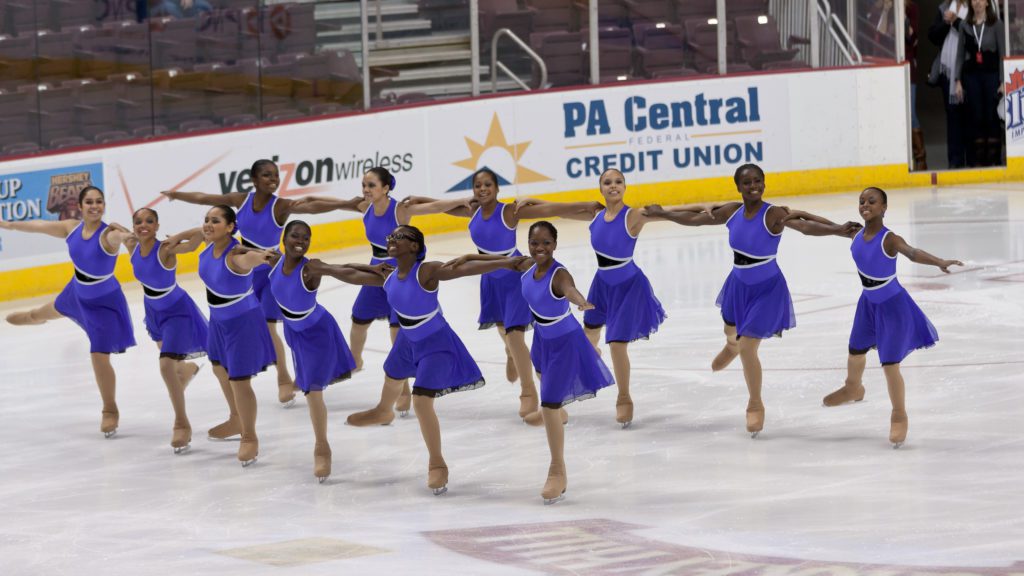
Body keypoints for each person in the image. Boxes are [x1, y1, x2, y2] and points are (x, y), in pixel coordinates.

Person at [643, 164, 861, 437]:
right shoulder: (732, 211)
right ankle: (730, 345)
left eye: (758, 181)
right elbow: (696, 219)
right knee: (731, 332)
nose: (753, 186)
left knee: (749, 347)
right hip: (738, 283)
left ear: (764, 183)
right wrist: (663, 213)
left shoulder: (773, 214)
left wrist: (838, 230)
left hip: (767, 288)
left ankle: (755, 403)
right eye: (747, 182)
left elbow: (805, 226)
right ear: (738, 187)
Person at [316, 225, 528, 495]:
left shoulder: (425, 272)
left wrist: (509, 262)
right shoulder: (388, 274)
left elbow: (464, 268)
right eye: (390, 236)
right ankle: (383, 410)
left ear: (415, 246)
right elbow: (352, 273)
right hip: (408, 339)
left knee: (421, 401)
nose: (392, 239)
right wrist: (323, 268)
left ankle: (437, 463)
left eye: (399, 237)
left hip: (436, 342)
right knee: (392, 374)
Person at [513, 170, 712, 428]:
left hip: (628, 286)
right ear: (601, 188)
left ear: (625, 187)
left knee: (617, 344)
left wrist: (706, 207)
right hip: (603, 283)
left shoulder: (633, 215)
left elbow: (670, 212)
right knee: (587, 338)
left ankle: (624, 397)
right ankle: (555, 406)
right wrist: (532, 200)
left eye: (618, 182)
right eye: (608, 182)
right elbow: (560, 209)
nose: (613, 186)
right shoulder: (594, 213)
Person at [400, 168, 598, 420]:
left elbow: (549, 211)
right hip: (490, 278)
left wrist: (585, 204)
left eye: (487, 185)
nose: (482, 189)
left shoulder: (508, 212)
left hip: (514, 275)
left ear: (496, 188)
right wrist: (420, 198)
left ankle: (528, 393)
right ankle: (510, 354)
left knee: (515, 335)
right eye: (478, 185)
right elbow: (438, 207)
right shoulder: (470, 211)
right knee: (505, 332)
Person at [291, 167, 476, 425]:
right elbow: (334, 204)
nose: (366, 189)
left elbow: (433, 207)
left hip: (400, 275)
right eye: (364, 184)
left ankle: (403, 392)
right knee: (358, 319)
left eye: (371, 185)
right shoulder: (363, 206)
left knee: (396, 333)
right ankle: (355, 360)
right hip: (375, 271)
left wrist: (459, 200)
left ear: (386, 188)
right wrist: (304, 204)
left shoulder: (399, 209)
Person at [163, 159, 342, 410]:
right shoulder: (241, 200)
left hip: (269, 271)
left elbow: (311, 205)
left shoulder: (279, 206)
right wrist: (177, 195)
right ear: (254, 179)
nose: (273, 179)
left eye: (275, 175)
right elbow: (205, 198)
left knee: (271, 326)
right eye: (267, 175)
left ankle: (284, 378)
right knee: (259, 324)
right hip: (244, 272)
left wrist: (349, 204)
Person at [821, 187, 962, 448]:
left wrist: (940, 260)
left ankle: (899, 414)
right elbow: (822, 226)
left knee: (889, 364)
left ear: (884, 208)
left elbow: (913, 253)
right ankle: (853, 388)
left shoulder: (890, 239)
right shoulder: (854, 233)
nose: (865, 205)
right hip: (868, 302)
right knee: (855, 350)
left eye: (872, 201)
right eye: (861, 201)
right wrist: (794, 216)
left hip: (892, 305)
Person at [1, 186, 136, 438]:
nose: (95, 206)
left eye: (99, 201)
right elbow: (38, 226)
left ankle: (110, 409)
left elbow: (126, 240)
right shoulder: (70, 227)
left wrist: (130, 236)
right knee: (41, 313)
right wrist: (9, 226)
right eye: (89, 202)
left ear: (104, 205)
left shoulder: (109, 234)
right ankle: (33, 318)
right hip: (76, 292)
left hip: (102, 301)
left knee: (98, 354)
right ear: (81, 205)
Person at [265, 220, 385, 482]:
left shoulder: (311, 267)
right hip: (293, 331)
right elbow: (245, 254)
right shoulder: (273, 261)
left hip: (316, 331)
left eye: (306, 238)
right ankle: (303, 380)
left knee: (313, 391)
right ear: (284, 239)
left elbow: (342, 270)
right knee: (308, 381)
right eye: (295, 236)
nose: (301, 241)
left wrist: (377, 275)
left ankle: (322, 448)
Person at [519, 221, 614, 504]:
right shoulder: (526, 266)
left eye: (546, 243)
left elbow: (570, 289)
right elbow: (502, 262)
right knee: (540, 373)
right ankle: (558, 412)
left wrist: (581, 301)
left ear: (555, 245)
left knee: (548, 402)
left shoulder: (558, 274)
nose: (540, 248)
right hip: (542, 339)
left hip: (564, 341)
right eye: (535, 242)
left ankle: (557, 471)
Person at [192, 205, 279, 467]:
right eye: (206, 220)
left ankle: (249, 436)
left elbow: (253, 258)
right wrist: (175, 238)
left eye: (215, 221)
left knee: (239, 380)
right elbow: (197, 231)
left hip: (243, 321)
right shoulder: (208, 244)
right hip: (217, 319)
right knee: (219, 369)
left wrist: (264, 256)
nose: (208, 224)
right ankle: (236, 418)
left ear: (230, 227)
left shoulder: (236, 255)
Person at [124, 208, 208, 454]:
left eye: (149, 221)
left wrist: (178, 235)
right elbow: (115, 233)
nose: (143, 225)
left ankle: (182, 423)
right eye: (138, 221)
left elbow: (199, 238)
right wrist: (117, 231)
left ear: (157, 225)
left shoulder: (166, 250)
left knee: (165, 366)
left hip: (176, 311)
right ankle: (189, 368)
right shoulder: (132, 246)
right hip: (153, 311)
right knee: (172, 366)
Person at [954, 0, 1005, 166]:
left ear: (987, 3)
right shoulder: (964, 25)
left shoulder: (996, 24)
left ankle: (994, 160)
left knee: (991, 116)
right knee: (976, 116)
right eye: (974, 0)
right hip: (972, 77)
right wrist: (958, 80)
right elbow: (960, 55)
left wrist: (1003, 81)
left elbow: (1002, 55)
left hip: (991, 76)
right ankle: (977, 161)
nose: (977, 3)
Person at [929, 0, 970, 168]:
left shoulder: (974, 6)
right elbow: (932, 36)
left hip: (968, 68)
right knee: (952, 117)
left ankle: (972, 161)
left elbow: (974, 35)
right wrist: (947, 23)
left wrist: (956, 22)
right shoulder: (944, 8)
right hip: (947, 70)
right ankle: (955, 162)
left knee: (969, 115)